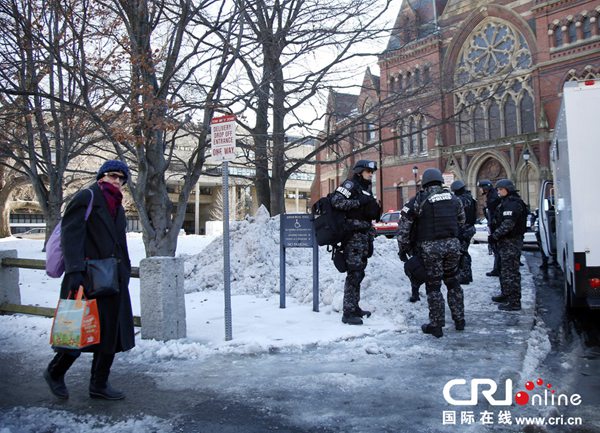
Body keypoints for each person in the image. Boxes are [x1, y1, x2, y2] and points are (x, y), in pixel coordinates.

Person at [43, 160, 135, 400]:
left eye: (121, 178)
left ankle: (99, 385)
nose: (116, 181)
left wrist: (124, 270)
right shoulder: (87, 197)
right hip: (85, 277)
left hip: (113, 278)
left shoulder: (118, 205)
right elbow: (71, 235)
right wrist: (74, 271)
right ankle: (55, 372)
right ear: (101, 177)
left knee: (110, 334)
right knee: (76, 330)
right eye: (112, 176)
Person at [397, 168, 466, 338]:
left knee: (434, 286)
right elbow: (461, 221)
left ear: (425, 183)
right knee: (453, 282)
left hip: (430, 249)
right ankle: (459, 319)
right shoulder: (453, 198)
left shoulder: (419, 200)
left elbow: (404, 227)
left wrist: (403, 248)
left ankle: (436, 325)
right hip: (452, 246)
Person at [331, 160, 381, 325]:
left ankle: (354, 307)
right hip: (352, 236)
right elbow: (336, 201)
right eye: (368, 172)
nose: (371, 175)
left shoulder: (365, 188)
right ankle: (348, 312)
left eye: (372, 172)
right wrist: (358, 202)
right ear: (360, 171)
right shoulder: (350, 185)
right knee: (354, 273)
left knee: (359, 272)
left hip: (363, 235)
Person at [489, 179, 527, 311]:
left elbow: (508, 224)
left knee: (511, 272)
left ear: (508, 189)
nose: (498, 192)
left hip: (511, 242)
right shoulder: (505, 202)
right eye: (498, 189)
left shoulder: (512, 203)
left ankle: (514, 301)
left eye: (500, 189)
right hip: (505, 242)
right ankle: (506, 294)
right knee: (505, 270)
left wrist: (495, 235)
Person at [450, 180, 477, 285]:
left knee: (462, 253)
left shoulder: (461, 200)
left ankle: (464, 276)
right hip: (469, 228)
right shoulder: (470, 198)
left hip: (464, 229)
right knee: (464, 252)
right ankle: (467, 275)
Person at [478, 179, 501, 277]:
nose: (480, 190)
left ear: (485, 188)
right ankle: (497, 269)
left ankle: (498, 269)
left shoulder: (493, 197)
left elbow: (494, 213)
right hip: (493, 225)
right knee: (496, 249)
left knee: (497, 249)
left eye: (481, 188)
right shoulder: (491, 195)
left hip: (496, 226)